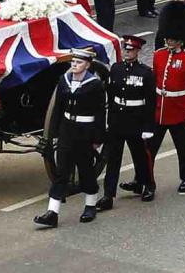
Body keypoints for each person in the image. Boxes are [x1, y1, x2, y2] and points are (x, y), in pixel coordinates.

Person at [34, 47, 109, 228]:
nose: (74, 65)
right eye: (73, 62)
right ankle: (52, 213)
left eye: (79, 62)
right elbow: (58, 109)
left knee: (86, 171)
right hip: (67, 130)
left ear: (87, 65)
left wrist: (98, 138)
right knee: (62, 172)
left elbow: (100, 113)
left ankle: (90, 206)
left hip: (85, 132)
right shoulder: (64, 81)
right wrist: (53, 134)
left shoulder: (94, 85)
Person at [103, 35, 160, 204]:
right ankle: (108, 195)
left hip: (136, 119)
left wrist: (148, 127)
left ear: (137, 51)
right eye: (125, 49)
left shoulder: (145, 73)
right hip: (118, 120)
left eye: (131, 50)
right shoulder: (116, 69)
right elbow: (111, 96)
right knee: (113, 159)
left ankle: (148, 185)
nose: (127, 52)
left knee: (140, 156)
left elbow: (150, 102)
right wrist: (109, 120)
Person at [152, 23, 185, 195]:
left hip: (180, 110)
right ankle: (143, 178)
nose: (169, 41)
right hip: (160, 109)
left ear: (180, 41)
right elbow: (154, 81)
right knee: (149, 148)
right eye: (168, 38)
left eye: (173, 39)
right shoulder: (158, 55)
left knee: (184, 148)